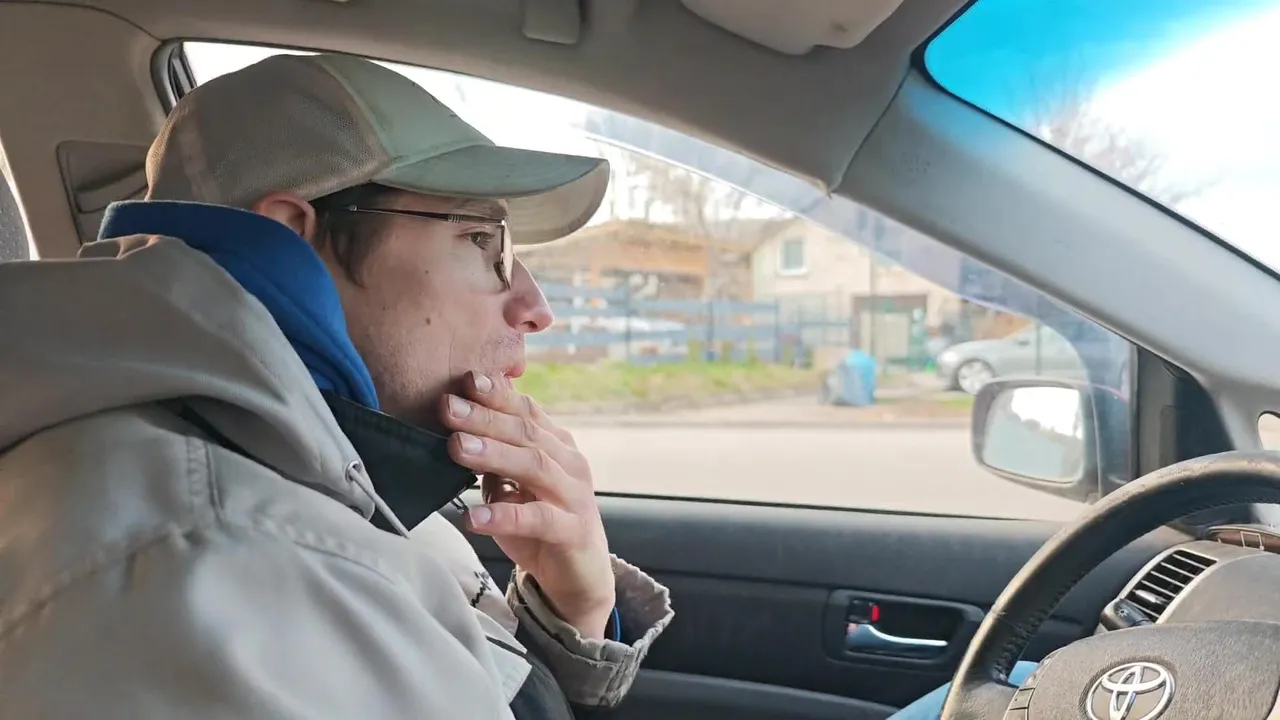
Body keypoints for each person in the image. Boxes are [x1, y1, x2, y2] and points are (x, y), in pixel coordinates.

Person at [0, 53, 672, 719]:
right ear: (292, 234)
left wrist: (576, 610)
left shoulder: (332, 481)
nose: (535, 308)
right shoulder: (204, 567)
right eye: (480, 240)